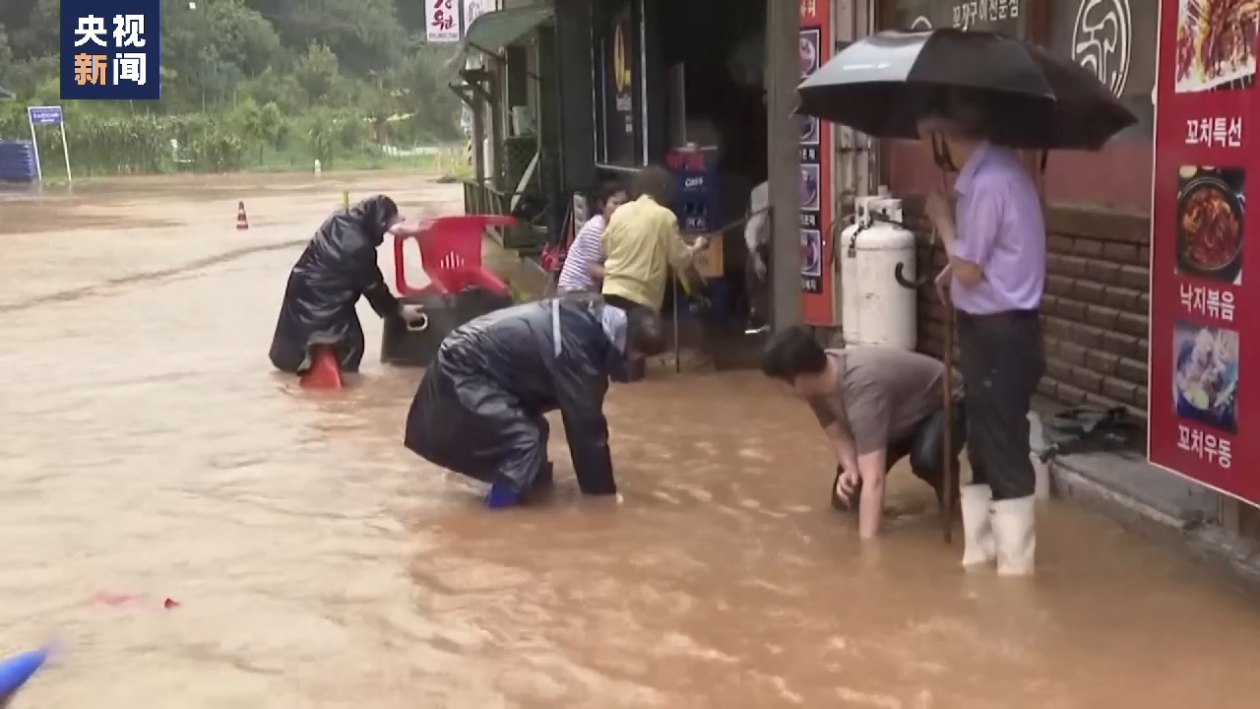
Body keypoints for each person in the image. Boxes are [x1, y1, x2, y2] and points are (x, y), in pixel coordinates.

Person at [918, 92, 1046, 576]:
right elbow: (981, 262)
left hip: (1000, 335)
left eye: (929, 137)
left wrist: (943, 221)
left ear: (948, 138)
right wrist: (955, 269)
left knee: (1003, 445)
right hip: (991, 331)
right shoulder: (993, 176)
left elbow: (970, 267)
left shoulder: (991, 182)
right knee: (984, 443)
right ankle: (983, 558)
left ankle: (1015, 573)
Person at [403, 297, 667, 509]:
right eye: (637, 356)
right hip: (462, 368)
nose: (634, 363)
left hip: (476, 362)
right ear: (628, 344)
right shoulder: (578, 348)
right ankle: (495, 518)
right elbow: (587, 431)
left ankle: (525, 497)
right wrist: (604, 503)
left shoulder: (592, 319)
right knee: (524, 439)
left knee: (534, 432)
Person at [760, 326, 964, 540]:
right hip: (895, 419)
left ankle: (952, 500)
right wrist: (850, 469)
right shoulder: (817, 386)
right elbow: (836, 433)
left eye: (782, 384)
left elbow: (874, 480)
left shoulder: (863, 391)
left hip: (946, 404)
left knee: (927, 458)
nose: (782, 392)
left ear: (801, 378)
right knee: (846, 500)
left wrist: (868, 556)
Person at [268, 195, 424, 378]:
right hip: (324, 298)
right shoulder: (358, 246)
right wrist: (399, 311)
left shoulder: (340, 219)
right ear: (380, 222)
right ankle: (341, 389)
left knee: (299, 336)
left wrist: (391, 224)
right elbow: (374, 287)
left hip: (302, 286)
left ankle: (292, 377)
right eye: (386, 226)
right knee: (349, 342)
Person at [599, 166, 707, 379]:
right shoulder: (665, 217)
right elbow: (680, 258)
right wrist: (696, 247)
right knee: (641, 351)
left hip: (611, 291)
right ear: (664, 189)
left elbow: (606, 246)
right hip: (640, 296)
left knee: (619, 353)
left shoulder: (621, 212)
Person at [557, 182, 628, 294]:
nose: (619, 208)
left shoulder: (614, 227)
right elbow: (593, 269)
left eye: (623, 204)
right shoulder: (596, 228)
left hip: (588, 289)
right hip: (574, 289)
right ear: (602, 205)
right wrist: (623, 277)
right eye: (615, 203)